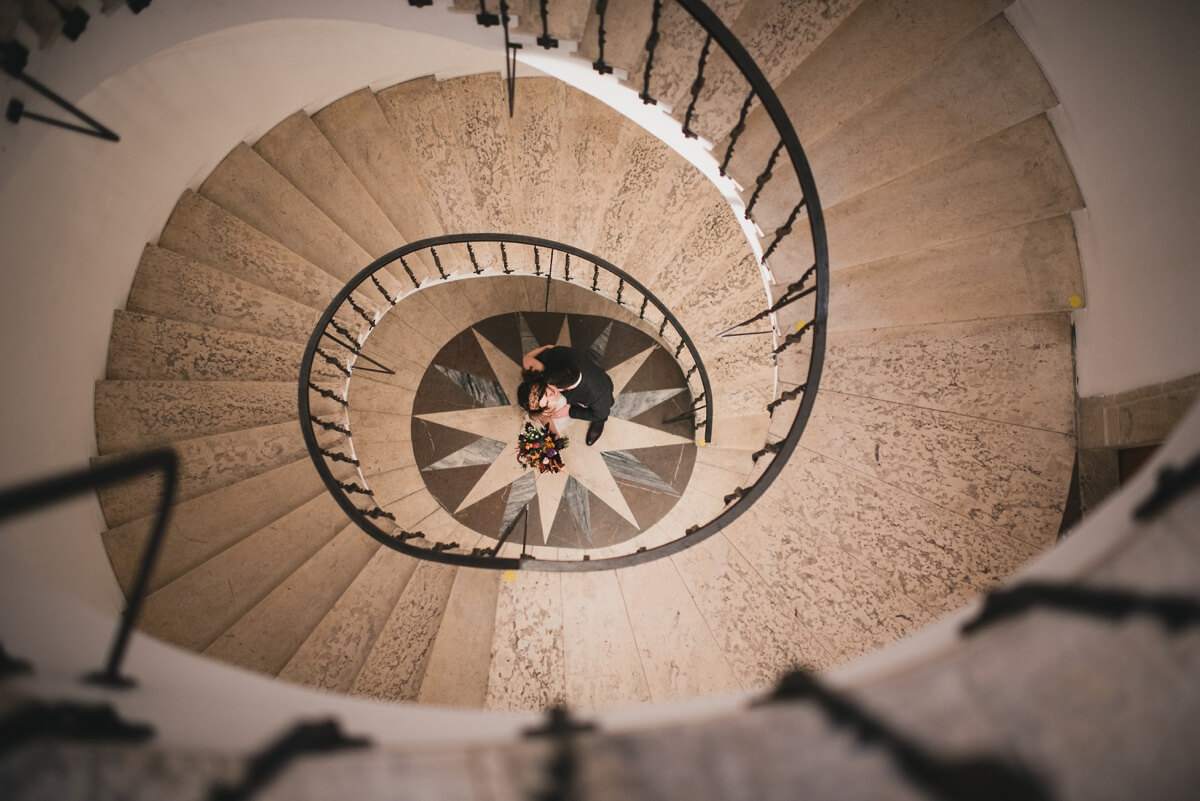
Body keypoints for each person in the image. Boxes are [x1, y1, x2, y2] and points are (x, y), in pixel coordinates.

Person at [516, 345, 614, 446]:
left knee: (601, 413)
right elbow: (527, 359)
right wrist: (546, 347)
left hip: (598, 385)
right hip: (573, 361)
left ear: (567, 388)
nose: (550, 392)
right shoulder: (556, 358)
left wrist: (570, 411)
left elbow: (601, 413)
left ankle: (600, 422)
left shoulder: (597, 395)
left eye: (548, 391)